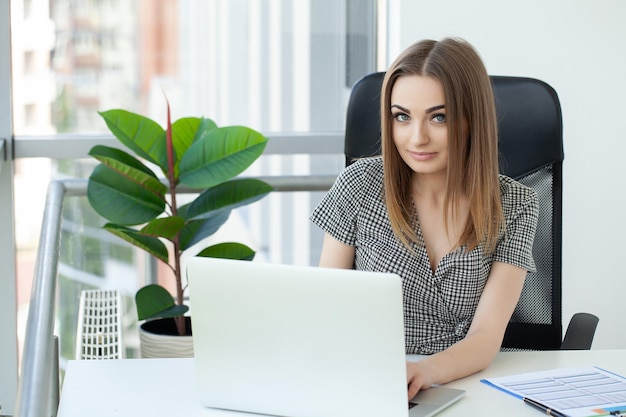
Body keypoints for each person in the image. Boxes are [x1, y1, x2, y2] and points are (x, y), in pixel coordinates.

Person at [309, 37, 539, 399]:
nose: (417, 138)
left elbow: (485, 337)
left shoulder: (515, 204)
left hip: (466, 384)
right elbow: (325, 309)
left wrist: (422, 372)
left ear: (470, 119)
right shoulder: (358, 185)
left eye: (439, 117)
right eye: (402, 116)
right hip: (371, 382)